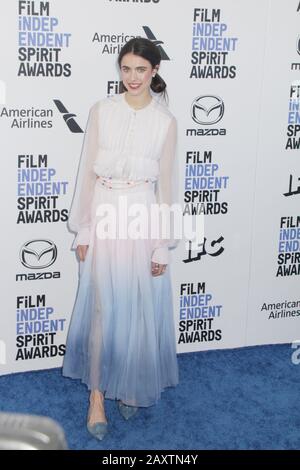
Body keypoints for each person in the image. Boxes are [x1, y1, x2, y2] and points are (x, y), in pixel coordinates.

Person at [62, 37, 180, 441]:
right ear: (120, 70)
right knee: (101, 309)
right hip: (105, 214)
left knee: (137, 307)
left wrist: (162, 243)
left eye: (141, 70)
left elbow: (166, 186)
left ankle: (130, 385)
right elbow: (87, 173)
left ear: (155, 72)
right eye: (126, 69)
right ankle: (97, 398)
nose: (132, 77)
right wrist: (85, 228)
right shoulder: (102, 111)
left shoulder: (165, 122)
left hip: (143, 215)